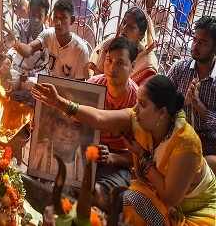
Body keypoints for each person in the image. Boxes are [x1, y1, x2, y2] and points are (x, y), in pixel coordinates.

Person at [32, 75, 216, 225]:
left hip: (194, 212)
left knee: (133, 200)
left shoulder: (186, 144)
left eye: (143, 104)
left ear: (162, 112)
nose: (135, 109)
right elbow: (99, 117)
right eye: (137, 102)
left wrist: (143, 157)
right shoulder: (140, 118)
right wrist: (59, 102)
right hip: (153, 192)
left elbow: (170, 198)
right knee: (126, 199)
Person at [87, 37, 138, 212]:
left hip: (117, 163)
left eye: (120, 63)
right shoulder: (92, 87)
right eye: (109, 60)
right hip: (87, 152)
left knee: (100, 195)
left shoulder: (138, 102)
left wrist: (112, 158)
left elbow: (142, 155)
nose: (112, 68)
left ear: (133, 66)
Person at [167, 16, 216, 173]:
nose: (195, 46)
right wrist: (184, 102)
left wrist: (200, 107)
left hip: (207, 147)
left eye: (202, 43)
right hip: (177, 138)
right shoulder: (179, 68)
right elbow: (161, 104)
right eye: (195, 39)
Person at [14, 0, 90, 80]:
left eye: (63, 18)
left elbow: (80, 85)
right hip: (47, 86)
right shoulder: (49, 34)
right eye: (56, 17)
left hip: (67, 91)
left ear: (72, 20)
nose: (58, 23)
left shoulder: (81, 50)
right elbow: (29, 50)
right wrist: (14, 42)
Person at [89, 6, 158, 86]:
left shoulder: (147, 64)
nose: (124, 28)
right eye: (124, 23)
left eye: (131, 27)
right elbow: (96, 84)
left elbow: (141, 95)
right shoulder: (108, 46)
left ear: (141, 35)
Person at [29, 107, 91, 183]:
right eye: (62, 124)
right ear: (51, 127)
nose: (68, 134)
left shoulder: (88, 166)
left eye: (75, 127)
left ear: (82, 133)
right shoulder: (33, 153)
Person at [7, 0, 50, 82]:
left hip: (35, 76)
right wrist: (8, 58)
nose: (36, 19)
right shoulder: (19, 26)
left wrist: (30, 74)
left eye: (40, 16)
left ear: (46, 17)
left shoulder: (48, 36)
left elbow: (46, 65)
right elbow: (13, 47)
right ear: (29, 12)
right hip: (16, 71)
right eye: (33, 15)